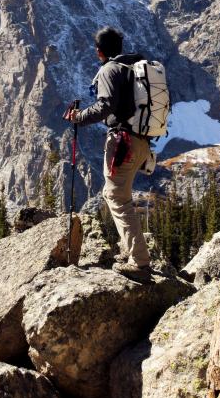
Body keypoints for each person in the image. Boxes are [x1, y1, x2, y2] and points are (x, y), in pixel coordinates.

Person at [63, 26, 153, 280]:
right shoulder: (134, 68)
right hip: (142, 141)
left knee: (115, 195)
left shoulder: (109, 70)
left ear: (99, 51)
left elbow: (106, 105)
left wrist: (79, 117)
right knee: (119, 194)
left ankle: (139, 263)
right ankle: (133, 253)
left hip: (122, 141)